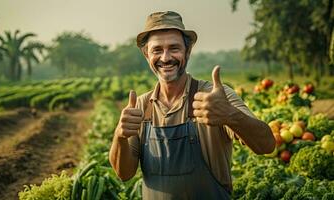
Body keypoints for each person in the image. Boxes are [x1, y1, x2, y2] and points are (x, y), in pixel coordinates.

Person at [109, 11, 275, 200]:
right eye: (157, 50)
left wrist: (230, 115)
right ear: (146, 54)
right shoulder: (141, 105)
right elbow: (124, 174)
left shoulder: (214, 97)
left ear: (188, 51)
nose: (165, 57)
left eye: (174, 48)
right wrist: (119, 136)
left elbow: (266, 145)